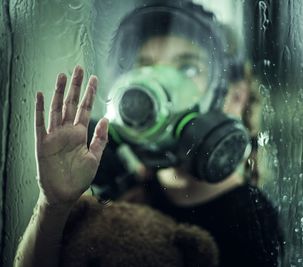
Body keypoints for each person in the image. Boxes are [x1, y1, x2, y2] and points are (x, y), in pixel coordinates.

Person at [14, 1, 283, 267]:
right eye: (145, 66)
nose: (158, 83)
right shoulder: (123, 193)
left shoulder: (251, 217)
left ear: (234, 97)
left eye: (188, 68)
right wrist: (53, 205)